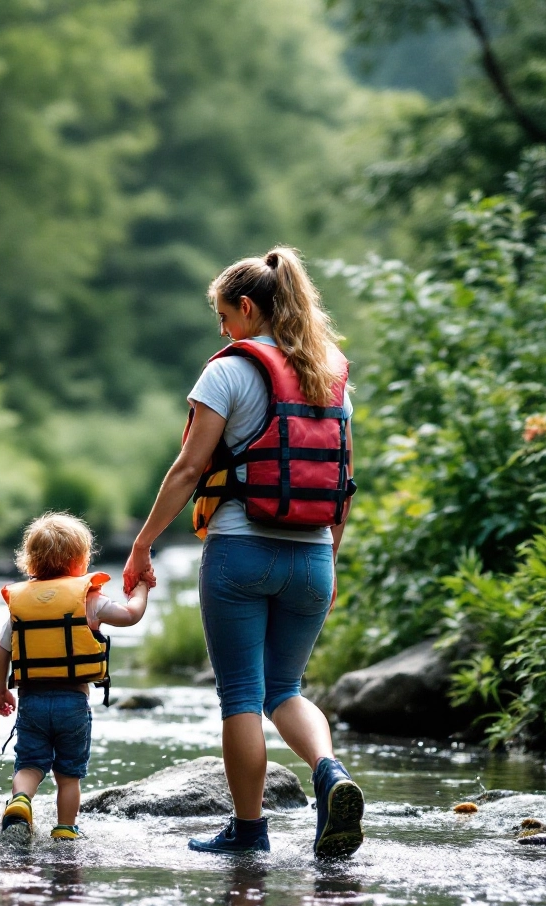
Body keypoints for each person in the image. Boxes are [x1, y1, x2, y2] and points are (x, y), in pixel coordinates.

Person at [121, 247, 364, 858]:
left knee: (240, 697)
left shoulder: (228, 371)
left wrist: (143, 544)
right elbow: (343, 481)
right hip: (311, 556)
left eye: (225, 316)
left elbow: (187, 470)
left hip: (239, 550)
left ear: (249, 308)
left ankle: (250, 831)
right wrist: (328, 558)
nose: (224, 330)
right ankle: (328, 770)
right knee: (285, 688)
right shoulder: (329, 373)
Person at [0, 512, 150, 842]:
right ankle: (65, 829)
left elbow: (1, 655)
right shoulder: (89, 598)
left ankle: (21, 800)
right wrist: (141, 588)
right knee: (68, 775)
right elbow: (131, 615)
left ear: (30, 562)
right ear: (81, 560)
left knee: (30, 765)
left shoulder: (21, 604)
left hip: (32, 702)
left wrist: (0, 693)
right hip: (73, 704)